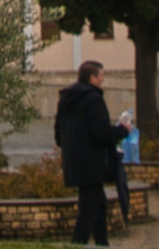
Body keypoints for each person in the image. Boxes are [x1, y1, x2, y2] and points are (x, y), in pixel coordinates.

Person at [54, 60, 124, 246]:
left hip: (75, 162)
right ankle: (78, 243)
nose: (103, 80)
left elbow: (58, 134)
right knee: (88, 209)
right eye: (101, 76)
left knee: (98, 204)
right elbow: (100, 133)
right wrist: (122, 130)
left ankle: (102, 243)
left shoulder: (66, 99)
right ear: (92, 78)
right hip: (92, 165)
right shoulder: (94, 99)